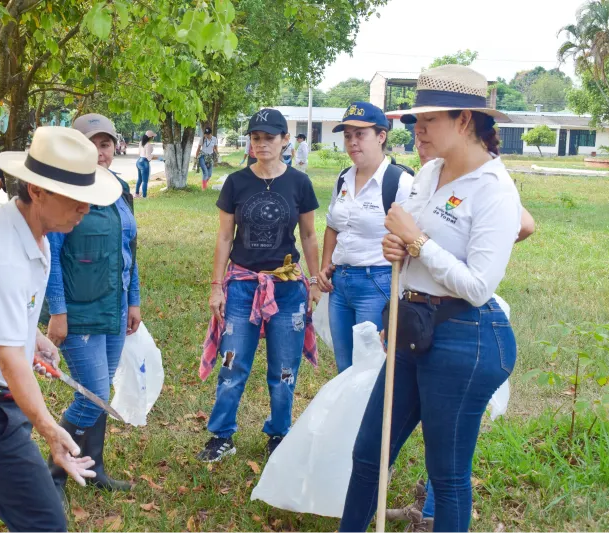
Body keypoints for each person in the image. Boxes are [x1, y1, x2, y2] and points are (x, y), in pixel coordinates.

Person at [338, 65, 524, 535]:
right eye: (415, 120)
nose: (417, 130)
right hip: (412, 327)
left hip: (465, 338)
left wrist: (417, 241)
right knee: (369, 453)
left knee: (447, 475)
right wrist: (398, 248)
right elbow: (411, 241)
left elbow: (478, 286)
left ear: (465, 120)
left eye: (429, 120)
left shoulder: (494, 189)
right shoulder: (429, 172)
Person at [0, 125, 123, 534]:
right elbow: (9, 359)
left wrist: (31, 336)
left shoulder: (33, 232)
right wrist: (51, 430)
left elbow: (6, 314)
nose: (85, 208)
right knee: (45, 524)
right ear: (37, 191)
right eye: (75, 197)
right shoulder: (2, 254)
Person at [198, 108, 322, 463]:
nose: (262, 144)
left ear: (285, 140)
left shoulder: (299, 183)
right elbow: (225, 237)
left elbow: (309, 236)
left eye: (269, 137)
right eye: (256, 137)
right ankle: (222, 435)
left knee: (284, 369)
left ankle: (279, 433)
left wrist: (314, 281)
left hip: (287, 288)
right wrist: (216, 286)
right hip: (241, 286)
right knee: (232, 363)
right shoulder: (236, 182)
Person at [44, 114, 142, 499]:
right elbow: (51, 257)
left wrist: (133, 301)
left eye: (105, 144)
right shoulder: (64, 191)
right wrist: (58, 311)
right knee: (93, 394)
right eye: (90, 145)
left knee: (97, 395)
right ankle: (52, 476)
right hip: (78, 312)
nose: (100, 152)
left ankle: (94, 467)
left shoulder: (120, 189)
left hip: (114, 308)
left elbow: (129, 251)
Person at [316, 102, 417, 374]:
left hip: (377, 284)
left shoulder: (400, 182)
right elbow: (332, 226)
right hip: (340, 285)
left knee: (371, 369)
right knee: (345, 368)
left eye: (360, 134)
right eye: (348, 136)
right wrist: (324, 268)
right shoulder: (343, 178)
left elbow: (415, 237)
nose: (352, 142)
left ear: (381, 136)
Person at [136, 130, 156, 198]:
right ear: (150, 137)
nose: (153, 138)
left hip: (139, 161)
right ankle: (144, 196)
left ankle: (136, 194)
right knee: (145, 181)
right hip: (144, 163)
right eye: (153, 137)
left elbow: (139, 153)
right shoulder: (148, 145)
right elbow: (148, 156)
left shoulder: (141, 143)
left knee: (139, 179)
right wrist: (158, 158)